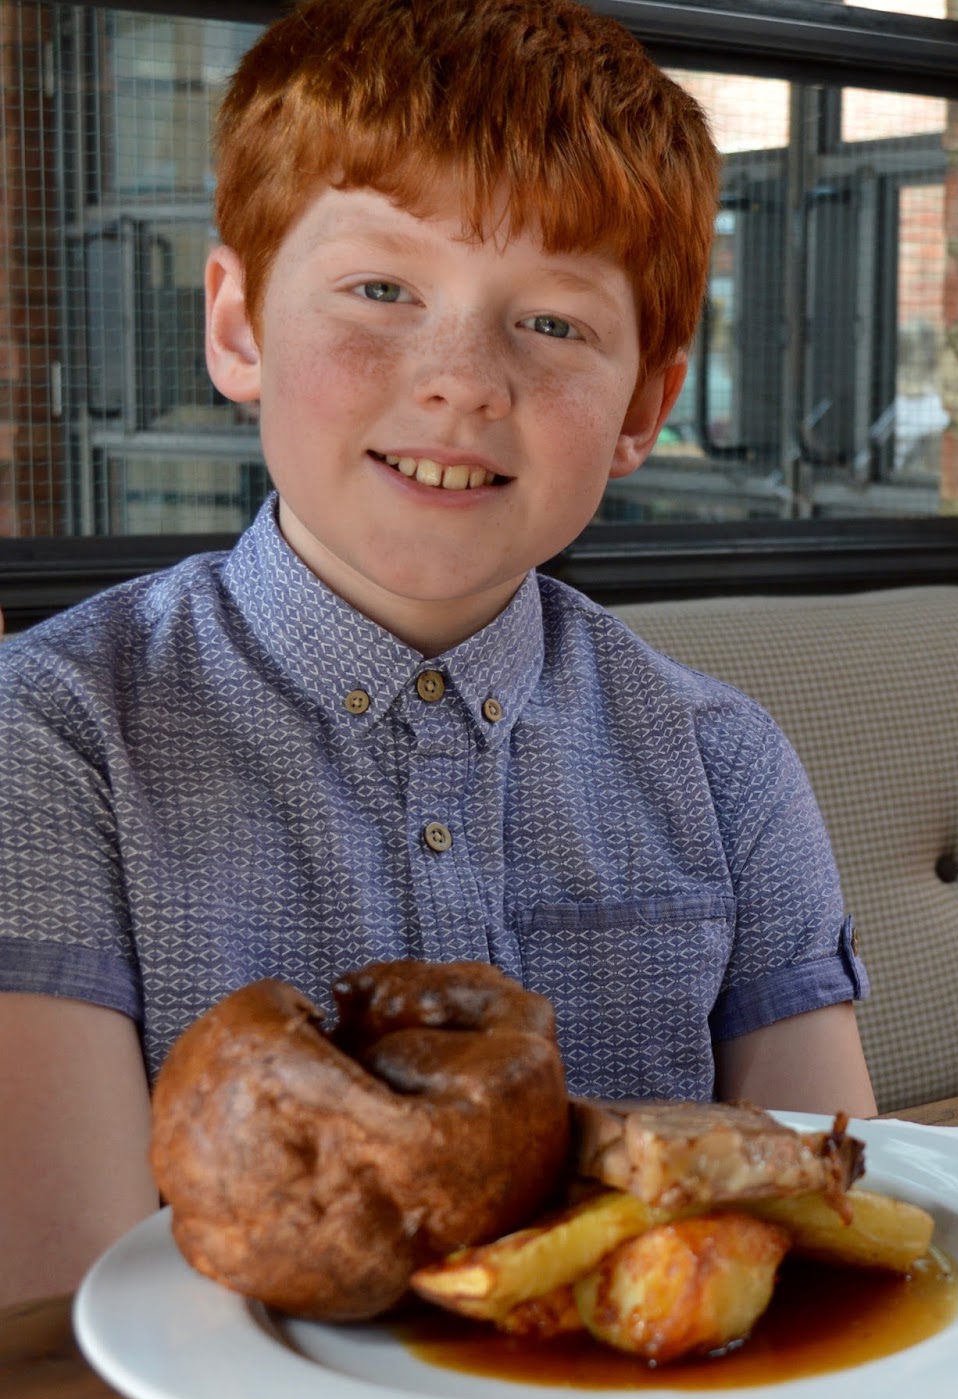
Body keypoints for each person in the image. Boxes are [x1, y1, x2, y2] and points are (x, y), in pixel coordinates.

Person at [0, 0, 875, 1312]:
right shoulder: (55, 742)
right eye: (381, 290)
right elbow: (66, 1324)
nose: (464, 378)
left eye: (556, 324)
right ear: (238, 326)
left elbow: (824, 1235)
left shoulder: (726, 766)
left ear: (645, 405)